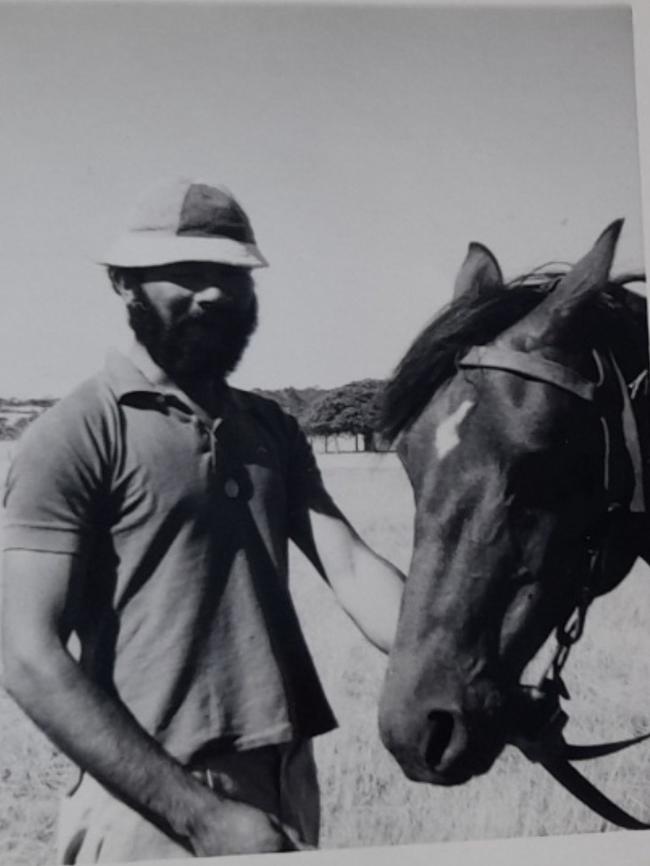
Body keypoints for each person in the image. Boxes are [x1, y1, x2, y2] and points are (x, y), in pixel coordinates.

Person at [1, 178, 404, 863]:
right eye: (187, 274)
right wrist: (198, 817)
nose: (215, 293)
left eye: (232, 274)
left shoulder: (269, 426)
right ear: (125, 285)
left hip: (283, 775)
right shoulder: (76, 433)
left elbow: (352, 566)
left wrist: (475, 672)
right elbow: (26, 654)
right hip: (149, 798)